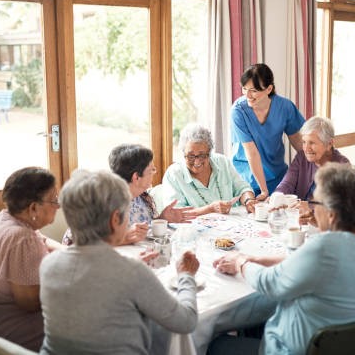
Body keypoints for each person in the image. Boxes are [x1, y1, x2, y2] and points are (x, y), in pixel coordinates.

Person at [210, 163, 355, 355]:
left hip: (290, 349)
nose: (311, 209)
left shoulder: (325, 247)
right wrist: (255, 258)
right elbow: (306, 263)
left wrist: (240, 262)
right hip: (349, 345)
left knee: (213, 343)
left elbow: (269, 283)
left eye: (315, 202)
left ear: (331, 213)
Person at [40, 169, 200, 355]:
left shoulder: (48, 265)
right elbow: (186, 322)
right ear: (116, 219)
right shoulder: (132, 273)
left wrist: (128, 266)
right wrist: (186, 275)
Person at [0, 167, 63, 351]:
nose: (58, 205)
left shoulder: (5, 221)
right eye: (54, 199)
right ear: (33, 207)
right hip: (15, 335)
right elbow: (29, 303)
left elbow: (42, 240)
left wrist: (69, 252)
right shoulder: (23, 238)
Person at [62, 144, 195, 245]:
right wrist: (123, 239)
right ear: (136, 177)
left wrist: (162, 219)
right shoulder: (102, 201)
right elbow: (74, 243)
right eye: (151, 170)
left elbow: (145, 231)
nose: (154, 173)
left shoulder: (144, 198)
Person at [230, 63, 305, 198]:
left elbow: (298, 143)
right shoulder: (238, 111)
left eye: (254, 90)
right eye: (244, 89)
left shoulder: (285, 107)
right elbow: (251, 153)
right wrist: (264, 190)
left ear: (269, 89)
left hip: (278, 177)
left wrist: (318, 165)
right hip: (247, 179)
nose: (248, 95)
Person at [163, 123, 257, 216]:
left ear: (210, 152)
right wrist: (210, 209)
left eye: (202, 155)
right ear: (183, 153)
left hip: (230, 226)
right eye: (191, 156)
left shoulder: (222, 162)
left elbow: (243, 188)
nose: (196, 162)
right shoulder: (174, 175)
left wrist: (249, 200)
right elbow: (175, 214)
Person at [274, 116, 349, 225]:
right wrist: (277, 197)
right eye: (304, 142)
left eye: (312, 143)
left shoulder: (342, 166)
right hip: (298, 221)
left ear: (329, 144)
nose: (306, 148)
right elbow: (287, 183)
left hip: (324, 224)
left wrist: (308, 207)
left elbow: (338, 205)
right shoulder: (301, 157)